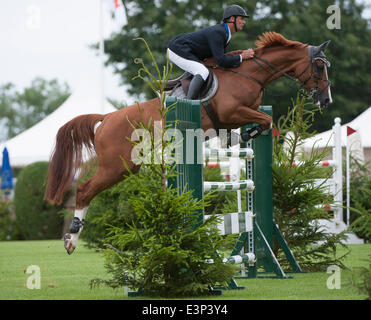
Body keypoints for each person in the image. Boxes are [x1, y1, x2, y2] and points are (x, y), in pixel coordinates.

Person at [167, 4, 255, 99]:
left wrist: (239, 56)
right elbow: (221, 60)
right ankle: (189, 105)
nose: (244, 22)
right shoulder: (219, 32)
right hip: (178, 49)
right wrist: (241, 57)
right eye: (241, 18)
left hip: (185, 50)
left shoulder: (225, 33)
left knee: (203, 70)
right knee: (202, 71)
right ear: (232, 18)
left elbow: (220, 59)